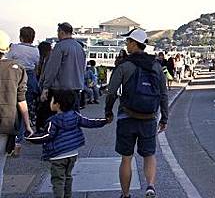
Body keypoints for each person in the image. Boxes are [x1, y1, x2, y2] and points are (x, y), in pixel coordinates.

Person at [104, 28, 168, 198]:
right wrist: (164, 118)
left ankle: (125, 195)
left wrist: (108, 111)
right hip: (149, 117)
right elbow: (163, 93)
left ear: (134, 43)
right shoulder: (156, 66)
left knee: (126, 158)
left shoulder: (125, 65)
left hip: (127, 116)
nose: (126, 45)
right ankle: (150, 186)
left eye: (128, 42)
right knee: (149, 155)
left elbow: (111, 92)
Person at [26, 90, 107, 198]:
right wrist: (104, 121)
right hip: (72, 153)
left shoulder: (53, 120)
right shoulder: (75, 115)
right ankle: (68, 196)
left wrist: (31, 138)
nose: (50, 102)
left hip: (58, 155)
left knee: (58, 180)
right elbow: (89, 122)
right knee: (68, 176)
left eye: (52, 100)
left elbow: (47, 135)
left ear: (57, 105)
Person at [0, 30, 34, 195]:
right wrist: (27, 125)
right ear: (7, 48)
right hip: (6, 124)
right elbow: (21, 99)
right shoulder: (17, 69)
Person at [6, 26, 40, 153]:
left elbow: (7, 61)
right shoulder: (36, 50)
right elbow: (37, 65)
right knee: (23, 108)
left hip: (14, 75)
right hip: (30, 77)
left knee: (12, 107)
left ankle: (11, 136)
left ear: (20, 36)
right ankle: (19, 137)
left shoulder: (14, 47)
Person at [41, 23, 86, 110]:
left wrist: (45, 86)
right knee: (73, 117)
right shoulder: (79, 47)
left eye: (58, 32)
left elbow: (52, 69)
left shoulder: (60, 46)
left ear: (61, 32)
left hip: (61, 89)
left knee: (59, 117)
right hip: (76, 88)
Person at [36, 41, 53, 132]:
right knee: (45, 108)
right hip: (46, 85)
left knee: (43, 108)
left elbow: (45, 73)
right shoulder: (47, 57)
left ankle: (41, 127)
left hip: (46, 85)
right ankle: (43, 127)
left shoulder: (48, 58)